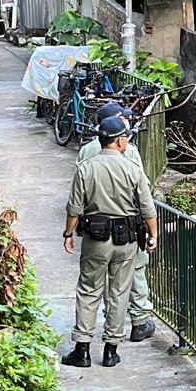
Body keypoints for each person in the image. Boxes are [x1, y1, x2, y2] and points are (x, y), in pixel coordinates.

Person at [61, 107, 158, 368]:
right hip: (126, 240)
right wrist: (153, 235)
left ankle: (81, 350)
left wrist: (69, 234)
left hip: (95, 237)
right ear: (119, 140)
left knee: (88, 290)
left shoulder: (86, 166)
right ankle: (110, 351)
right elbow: (148, 208)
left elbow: (74, 207)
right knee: (119, 292)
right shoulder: (132, 167)